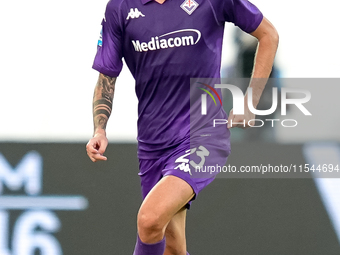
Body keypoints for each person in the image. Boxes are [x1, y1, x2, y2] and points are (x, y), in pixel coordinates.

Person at [86, 0, 278, 254]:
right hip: (152, 145)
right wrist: (100, 129)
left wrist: (250, 102)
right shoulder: (120, 8)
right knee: (172, 246)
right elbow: (106, 77)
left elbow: (268, 35)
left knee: (149, 219)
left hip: (204, 135)